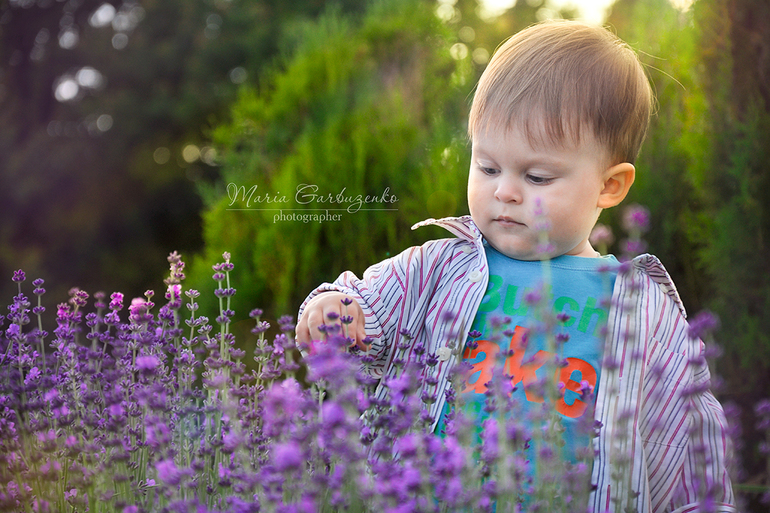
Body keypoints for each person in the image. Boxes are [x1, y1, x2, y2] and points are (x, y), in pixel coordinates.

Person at [296, 20, 734, 512]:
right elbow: (372, 307)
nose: (504, 190)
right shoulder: (444, 265)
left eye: (537, 175)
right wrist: (338, 309)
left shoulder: (641, 308)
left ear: (610, 186)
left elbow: (688, 436)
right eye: (486, 167)